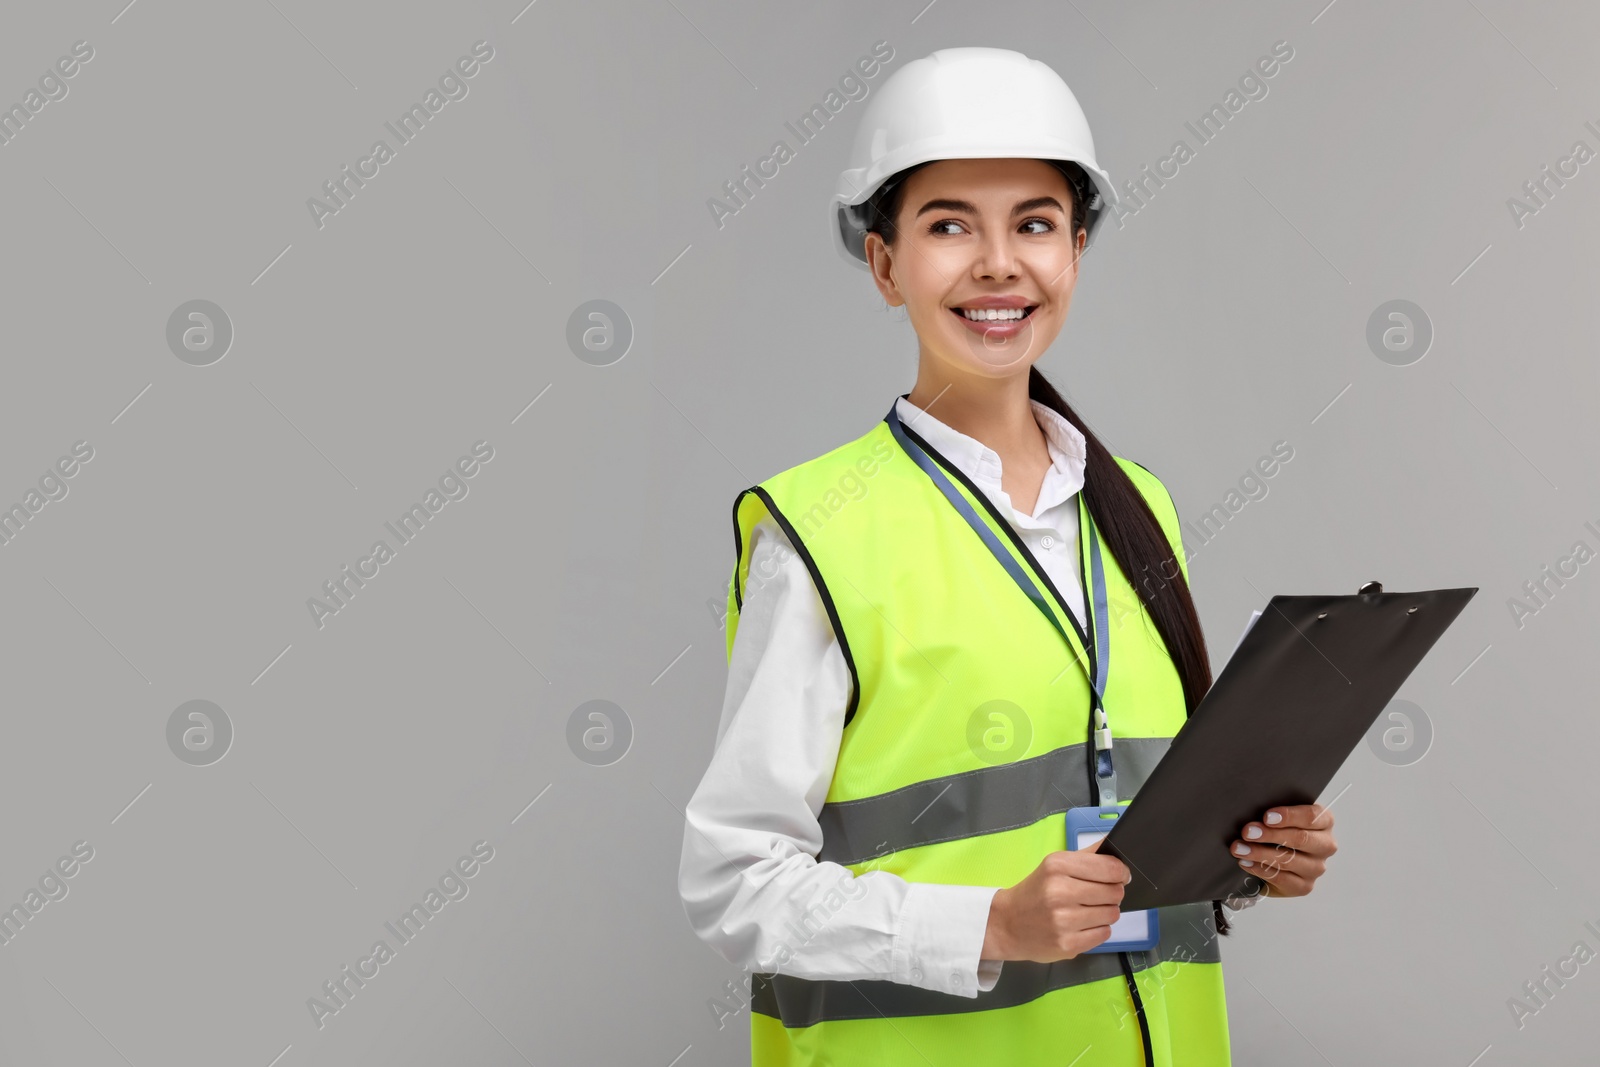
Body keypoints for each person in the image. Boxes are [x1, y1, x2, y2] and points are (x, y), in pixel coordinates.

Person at [678, 47, 1337, 1067]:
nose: (997, 262)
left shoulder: (1137, 508)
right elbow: (732, 881)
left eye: (1033, 223)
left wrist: (1252, 859)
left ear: (1075, 249)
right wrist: (987, 923)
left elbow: (1133, 815)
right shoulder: (815, 528)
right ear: (885, 262)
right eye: (949, 225)